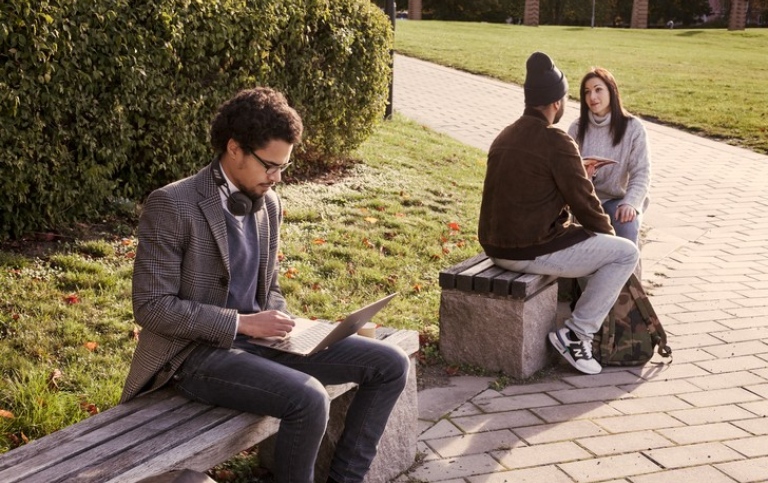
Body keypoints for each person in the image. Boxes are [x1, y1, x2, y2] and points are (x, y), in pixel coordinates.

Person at [121, 87, 410, 483]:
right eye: (269, 166)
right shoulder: (173, 205)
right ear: (234, 148)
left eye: (283, 168)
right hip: (192, 356)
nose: (275, 178)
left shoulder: (267, 204)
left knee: (390, 363)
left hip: (258, 343)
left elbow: (268, 288)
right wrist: (242, 324)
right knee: (308, 398)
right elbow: (152, 306)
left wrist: (287, 325)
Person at [477, 52, 639, 375]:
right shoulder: (556, 140)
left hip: (495, 247)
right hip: (527, 249)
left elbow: (531, 188)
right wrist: (607, 235)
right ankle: (577, 334)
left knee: (597, 248)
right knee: (624, 254)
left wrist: (575, 170)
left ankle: (587, 324)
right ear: (556, 103)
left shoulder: (504, 135)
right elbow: (586, 205)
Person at [568, 67, 651, 247]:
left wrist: (630, 203)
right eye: (587, 92)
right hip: (587, 199)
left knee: (627, 228)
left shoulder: (633, 128)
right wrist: (586, 178)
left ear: (611, 91)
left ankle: (629, 275)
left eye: (598, 89)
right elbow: (567, 173)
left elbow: (641, 172)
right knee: (579, 238)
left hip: (619, 199)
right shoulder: (576, 128)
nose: (592, 97)